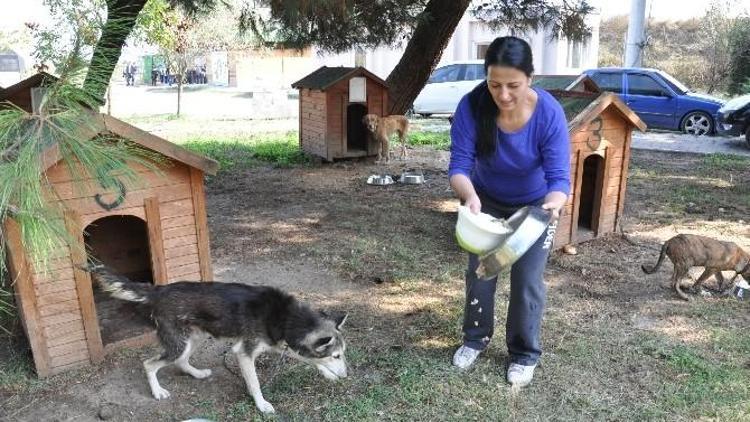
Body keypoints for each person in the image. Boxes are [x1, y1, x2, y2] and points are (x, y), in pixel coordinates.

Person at [448, 36, 570, 387]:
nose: (503, 95)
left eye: (513, 85)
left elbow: (559, 177)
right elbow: (459, 165)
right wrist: (469, 196)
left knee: (527, 282)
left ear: (531, 78)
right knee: (482, 273)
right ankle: (474, 339)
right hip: (485, 201)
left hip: (535, 208)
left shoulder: (548, 112)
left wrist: (553, 204)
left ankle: (524, 354)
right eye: (494, 84)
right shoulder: (472, 106)